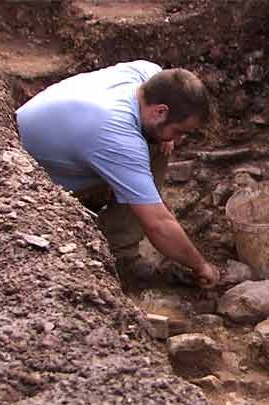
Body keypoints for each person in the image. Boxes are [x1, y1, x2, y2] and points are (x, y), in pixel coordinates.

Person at [16, 60, 220, 289]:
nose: (180, 138)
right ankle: (122, 257)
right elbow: (158, 224)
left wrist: (168, 133)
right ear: (160, 111)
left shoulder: (148, 74)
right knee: (150, 146)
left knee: (158, 140)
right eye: (179, 131)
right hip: (30, 179)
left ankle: (101, 200)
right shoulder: (117, 135)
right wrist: (201, 266)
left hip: (50, 139)